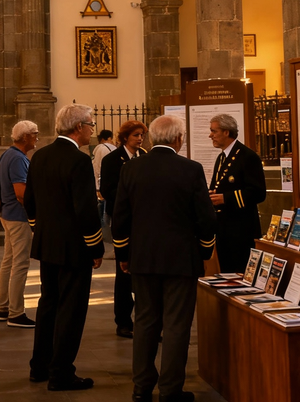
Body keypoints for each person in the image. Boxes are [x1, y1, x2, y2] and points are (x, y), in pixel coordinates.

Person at [111, 115, 217, 402]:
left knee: (144, 322)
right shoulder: (191, 169)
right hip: (181, 260)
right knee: (176, 325)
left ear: (153, 138)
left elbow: (119, 218)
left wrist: (123, 254)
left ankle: (141, 388)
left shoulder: (131, 169)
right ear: (178, 139)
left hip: (142, 258)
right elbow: (206, 219)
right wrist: (205, 250)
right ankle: (170, 390)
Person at [24, 104, 104, 392]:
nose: (92, 129)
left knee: (48, 304)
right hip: (74, 249)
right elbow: (85, 210)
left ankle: (39, 366)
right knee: (71, 310)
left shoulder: (40, 156)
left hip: (48, 245)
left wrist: (41, 230)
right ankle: (61, 373)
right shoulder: (79, 160)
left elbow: (30, 202)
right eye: (90, 124)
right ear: (78, 127)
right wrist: (96, 247)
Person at [100, 119, 147, 339]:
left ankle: (145, 319)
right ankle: (123, 321)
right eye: (136, 135)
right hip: (123, 220)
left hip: (143, 222)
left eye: (142, 135)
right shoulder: (112, 159)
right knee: (124, 272)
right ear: (125, 137)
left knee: (144, 272)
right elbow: (108, 190)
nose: (140, 139)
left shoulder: (145, 157)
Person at [208, 113, 267, 272]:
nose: (210, 135)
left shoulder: (248, 156)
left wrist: (225, 199)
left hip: (241, 229)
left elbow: (258, 193)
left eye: (214, 131)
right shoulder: (222, 158)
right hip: (224, 228)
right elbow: (218, 187)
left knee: (239, 273)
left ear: (226, 132)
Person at [0, 119, 39, 328]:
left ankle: (3, 308)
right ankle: (16, 313)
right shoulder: (18, 158)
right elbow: (21, 193)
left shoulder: (8, 154)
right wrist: (36, 214)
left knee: (9, 262)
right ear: (25, 137)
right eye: (34, 134)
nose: (37, 137)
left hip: (8, 213)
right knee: (20, 264)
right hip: (19, 216)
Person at [91, 129, 115, 226]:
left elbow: (97, 168)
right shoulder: (111, 149)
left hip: (100, 182)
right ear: (108, 138)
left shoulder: (98, 149)